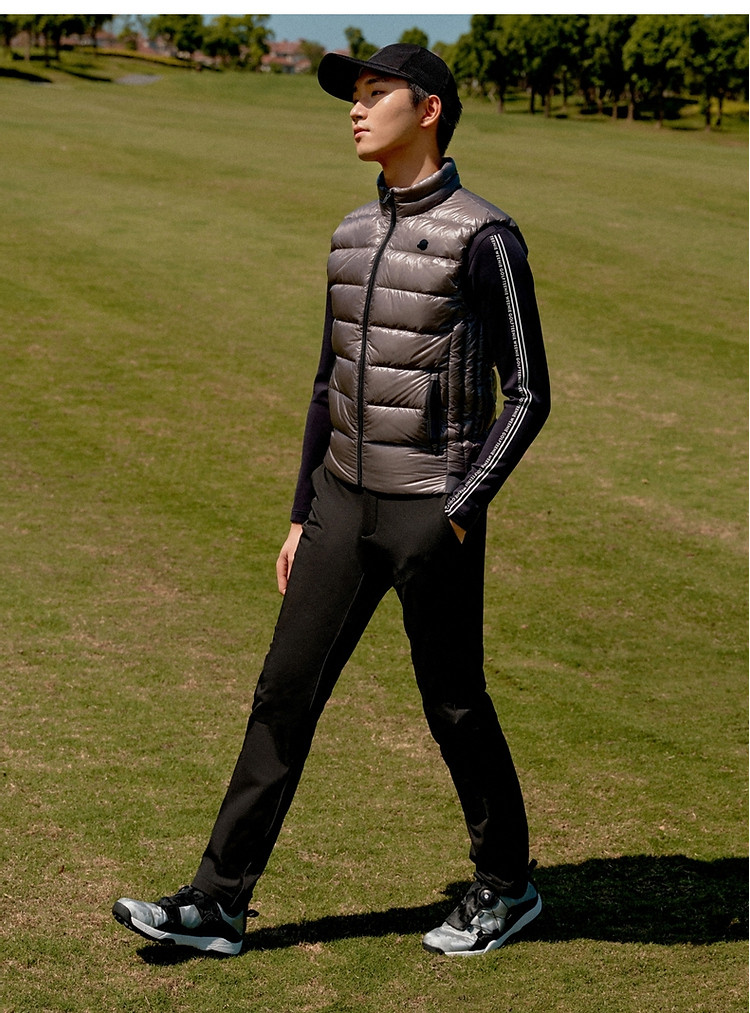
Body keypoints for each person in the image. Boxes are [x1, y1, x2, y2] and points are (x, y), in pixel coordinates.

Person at [113, 43, 550, 958]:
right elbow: (328, 384)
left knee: (454, 702)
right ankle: (217, 902)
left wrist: (460, 506)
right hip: (341, 506)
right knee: (283, 690)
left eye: (375, 93)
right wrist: (300, 512)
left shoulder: (486, 237)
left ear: (428, 110)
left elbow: (529, 393)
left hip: (430, 510)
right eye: (353, 96)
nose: (356, 109)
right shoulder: (351, 233)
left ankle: (508, 886)